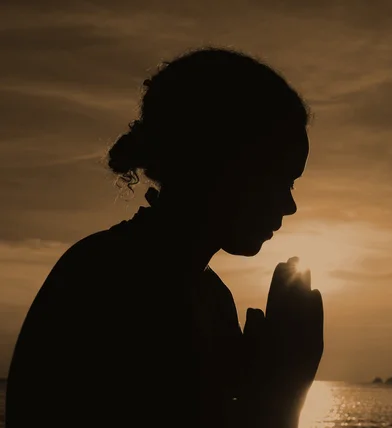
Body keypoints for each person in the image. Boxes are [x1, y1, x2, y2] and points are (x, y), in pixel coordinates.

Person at [6, 47, 324, 428]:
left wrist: (261, 380)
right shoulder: (106, 282)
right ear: (224, 162)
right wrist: (286, 386)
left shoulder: (210, 299)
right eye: (282, 180)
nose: (289, 206)